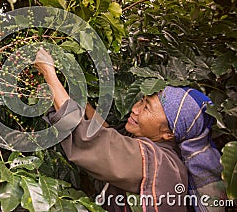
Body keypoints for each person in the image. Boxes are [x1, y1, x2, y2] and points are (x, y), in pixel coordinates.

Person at [34, 47, 226, 212]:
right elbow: (111, 135)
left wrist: (49, 74)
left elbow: (90, 140)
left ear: (168, 133)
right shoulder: (161, 147)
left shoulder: (160, 162)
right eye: (141, 101)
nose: (134, 109)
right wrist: (81, 102)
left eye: (146, 108)